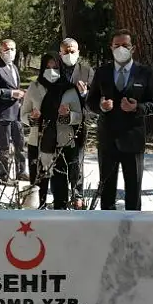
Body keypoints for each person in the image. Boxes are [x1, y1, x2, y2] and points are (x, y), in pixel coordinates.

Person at [86, 29, 153, 211]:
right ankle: (107, 224)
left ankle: (133, 226)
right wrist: (100, 107)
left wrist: (137, 108)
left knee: (133, 190)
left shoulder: (144, 73)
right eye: (117, 45)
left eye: (125, 45)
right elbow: (90, 101)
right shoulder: (102, 72)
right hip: (107, 139)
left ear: (133, 48)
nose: (121, 49)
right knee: (107, 190)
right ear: (111, 48)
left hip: (133, 139)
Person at [21, 52, 83, 209]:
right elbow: (23, 115)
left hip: (62, 144)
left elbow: (79, 116)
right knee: (37, 190)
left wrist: (68, 116)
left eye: (55, 66)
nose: (51, 70)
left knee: (60, 189)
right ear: (42, 67)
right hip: (38, 143)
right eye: (48, 67)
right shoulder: (34, 87)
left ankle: (60, 217)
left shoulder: (70, 89)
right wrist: (32, 118)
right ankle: (38, 219)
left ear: (60, 67)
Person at [59, 38, 95, 209]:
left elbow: (95, 99)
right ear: (60, 53)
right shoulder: (53, 71)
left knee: (76, 160)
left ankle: (77, 194)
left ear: (78, 52)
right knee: (58, 160)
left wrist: (84, 94)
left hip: (79, 123)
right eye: (66, 51)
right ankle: (60, 197)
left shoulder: (87, 71)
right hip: (58, 123)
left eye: (72, 51)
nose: (69, 54)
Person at [0, 39, 29, 184]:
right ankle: (4, 176)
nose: (9, 52)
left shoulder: (14, 67)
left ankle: (21, 172)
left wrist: (21, 93)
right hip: (3, 113)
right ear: (0, 51)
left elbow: (15, 86)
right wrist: (12, 93)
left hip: (17, 113)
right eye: (6, 49)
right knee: (4, 148)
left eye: (12, 49)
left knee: (20, 144)